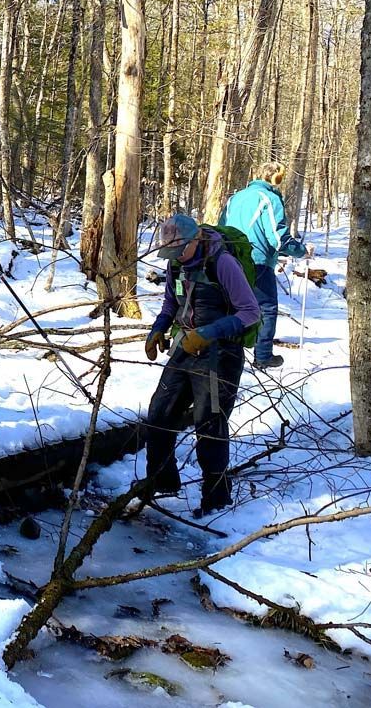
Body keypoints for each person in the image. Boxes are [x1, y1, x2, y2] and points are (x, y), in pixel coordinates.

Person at [143, 215, 261, 518]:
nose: (175, 258)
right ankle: (162, 482)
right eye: (170, 254)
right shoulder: (176, 264)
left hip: (221, 353)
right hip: (185, 346)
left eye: (179, 250)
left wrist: (208, 333)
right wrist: (158, 328)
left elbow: (250, 312)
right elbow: (171, 303)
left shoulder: (222, 263)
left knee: (209, 423)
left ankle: (216, 498)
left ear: (195, 240)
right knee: (159, 413)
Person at [221, 161, 312, 369]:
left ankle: (228, 353)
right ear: (275, 178)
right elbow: (278, 238)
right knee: (266, 308)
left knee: (232, 306)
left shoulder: (236, 197)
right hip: (256, 261)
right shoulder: (269, 198)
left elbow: (221, 227)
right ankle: (262, 356)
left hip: (229, 259)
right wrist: (300, 250)